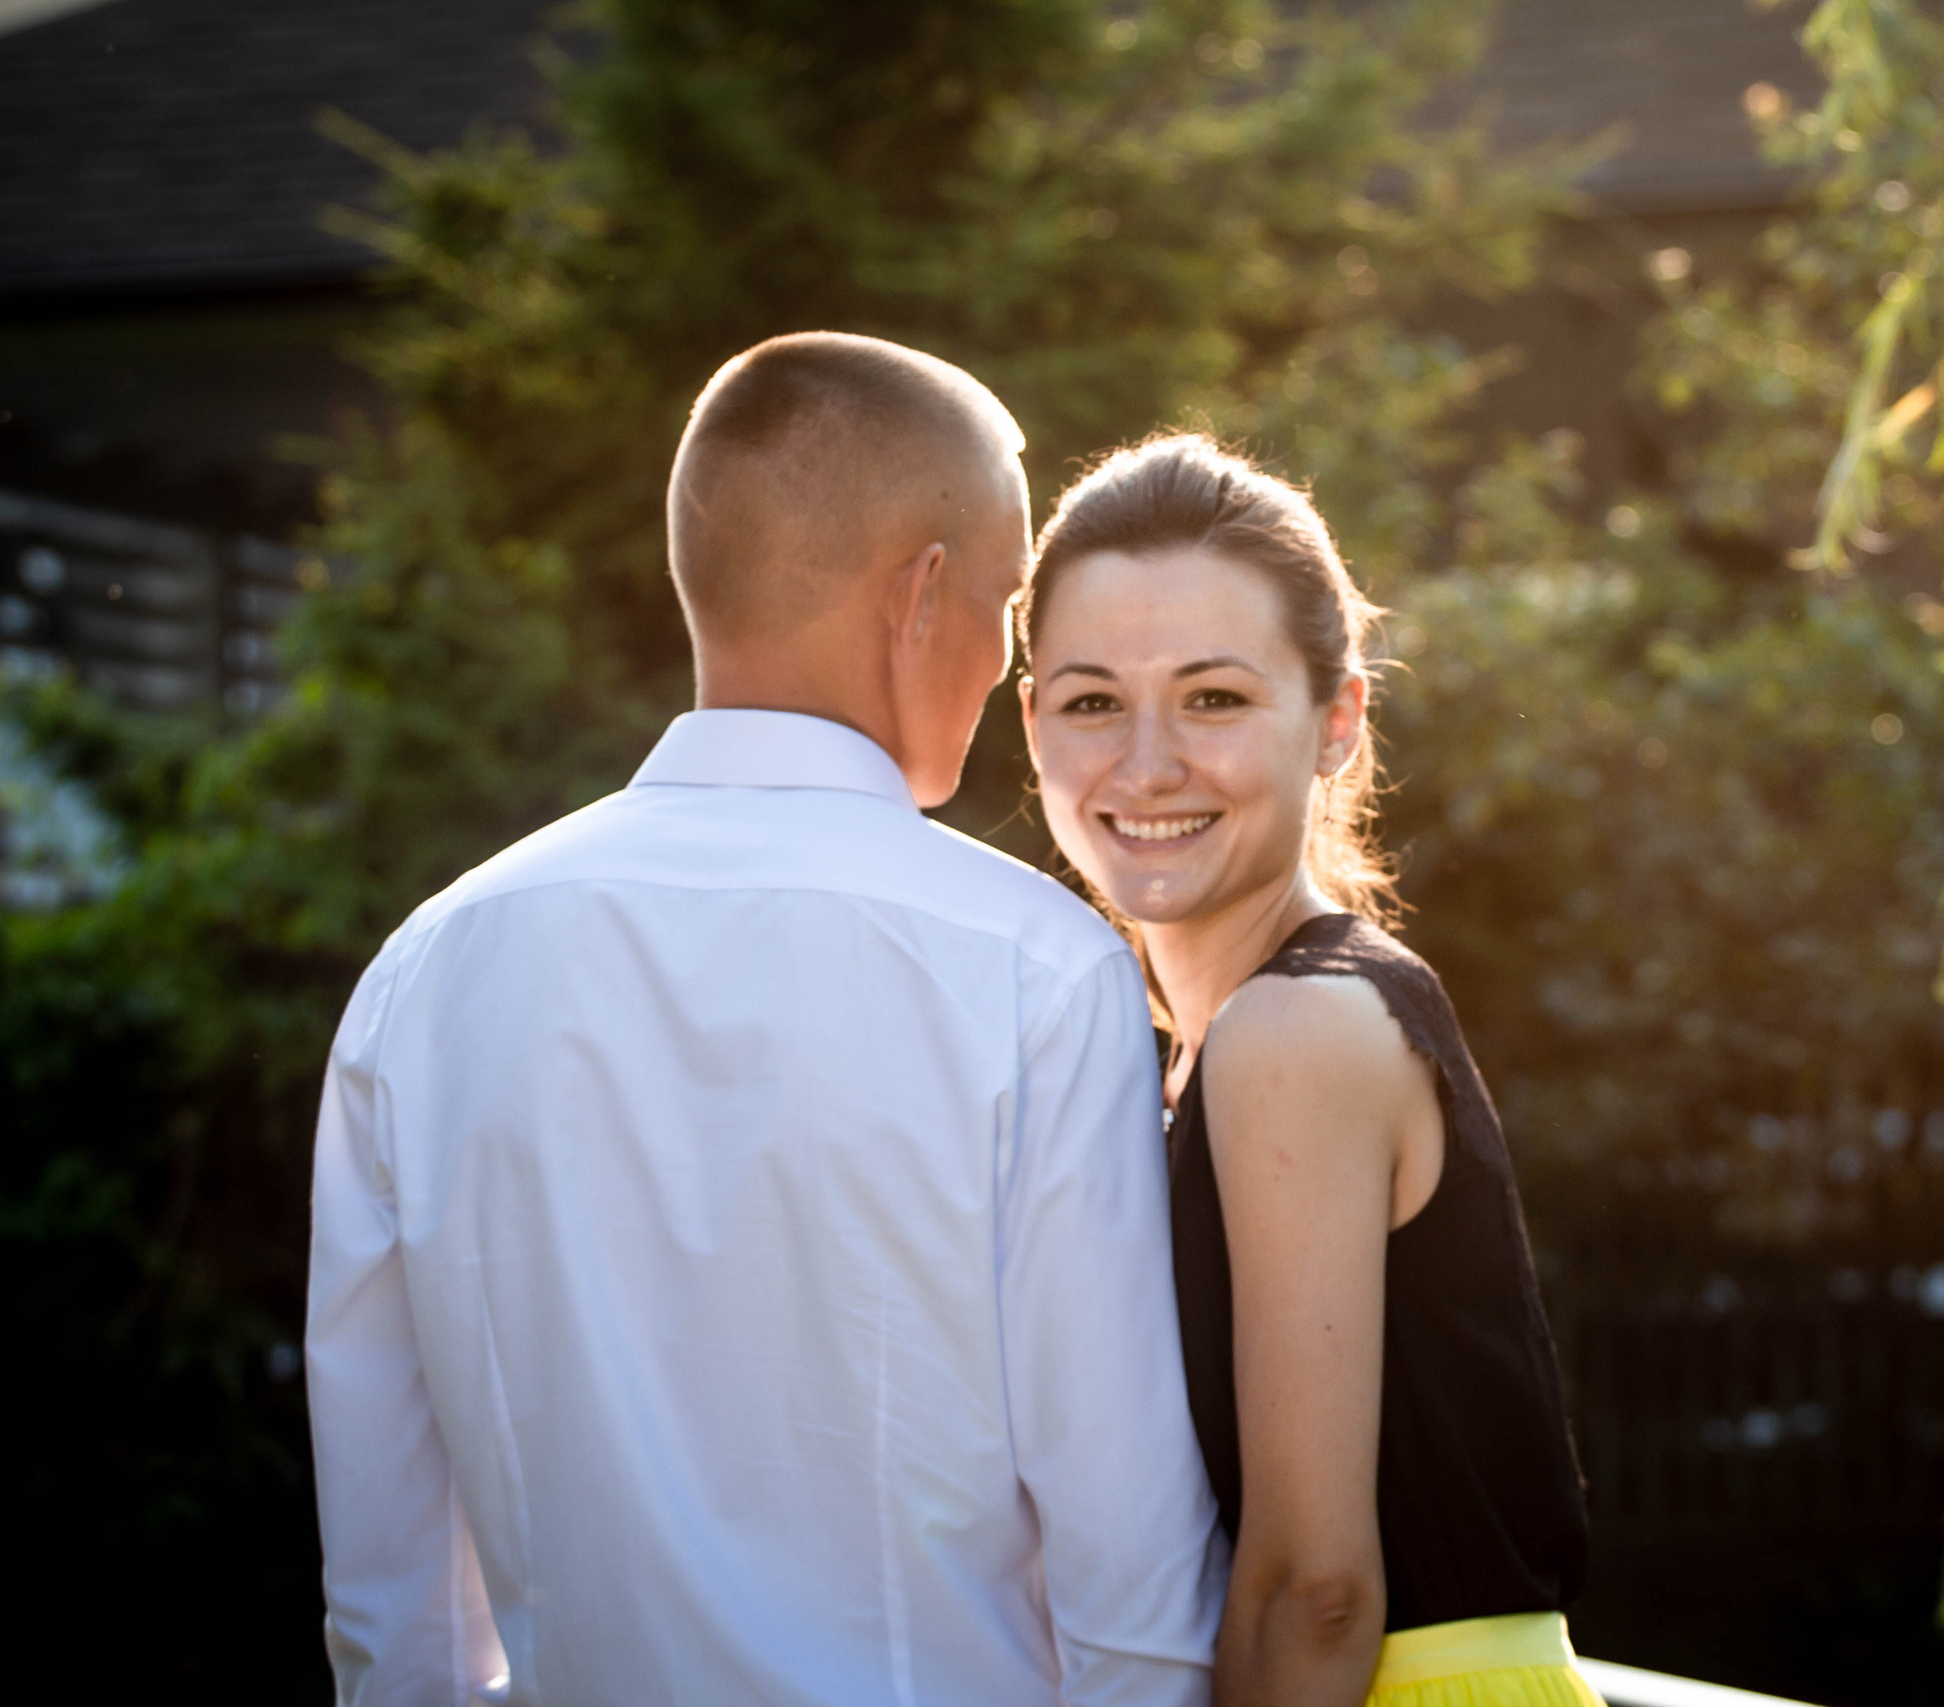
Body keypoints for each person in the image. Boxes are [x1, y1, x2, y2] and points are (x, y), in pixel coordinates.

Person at [304, 334, 1226, 1707]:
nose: (1007, 665)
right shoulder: (1038, 969)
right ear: (923, 594)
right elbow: (1135, 1592)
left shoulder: (426, 971)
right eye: (1008, 603)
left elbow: (395, 1611)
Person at [1017, 435, 1594, 1707]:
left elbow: (1315, 1593)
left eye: (1214, 697)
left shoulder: (1295, 1033)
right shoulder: (1188, 1051)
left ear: (1337, 723)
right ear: (1032, 724)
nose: (1147, 762)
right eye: (1093, 699)